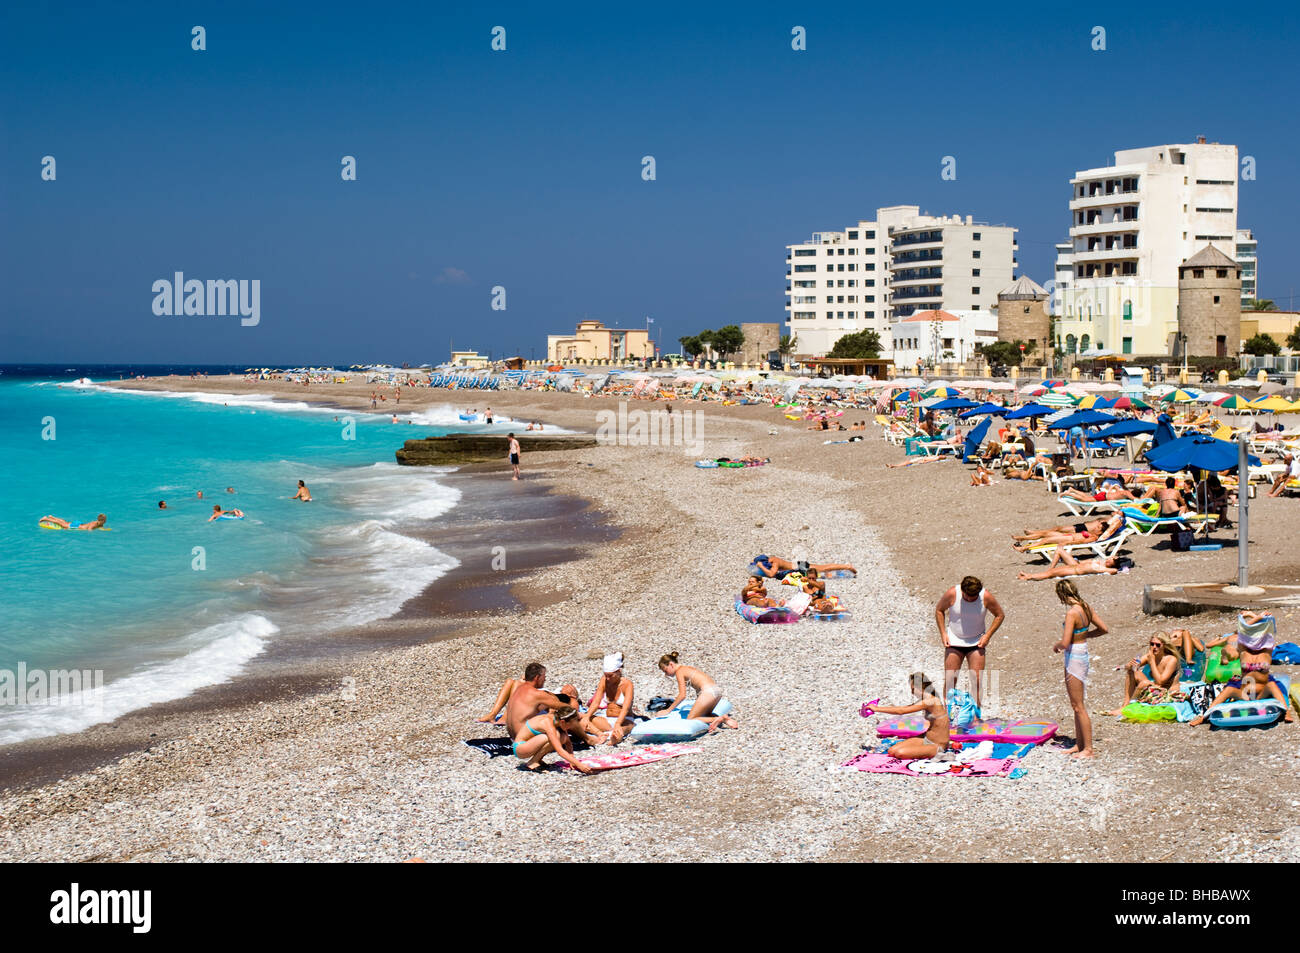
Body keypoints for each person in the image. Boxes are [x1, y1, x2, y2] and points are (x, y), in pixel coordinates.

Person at [1053, 579, 1108, 758]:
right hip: (1082, 652)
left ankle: (1088, 749)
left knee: (1078, 706)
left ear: (1062, 595)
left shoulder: (1072, 613)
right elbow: (1103, 629)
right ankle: (1080, 743)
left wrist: (1057, 645)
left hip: (1074, 656)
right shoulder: (1086, 607)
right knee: (1076, 704)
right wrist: (1085, 635)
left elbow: (1066, 641)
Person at [934, 576, 1004, 709]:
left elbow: (1000, 615)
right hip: (954, 641)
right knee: (950, 679)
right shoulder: (952, 593)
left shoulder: (986, 596)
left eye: (974, 598)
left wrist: (987, 635)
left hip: (977, 642)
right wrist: (943, 633)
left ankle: (976, 715)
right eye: (967, 597)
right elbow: (939, 610)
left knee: (976, 680)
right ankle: (947, 715)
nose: (970, 600)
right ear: (962, 591)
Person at [865, 673, 952, 760]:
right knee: (892, 751)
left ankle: (942, 755)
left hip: (937, 745)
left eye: (913, 689)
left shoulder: (931, 700)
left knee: (900, 753)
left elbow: (901, 711)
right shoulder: (926, 699)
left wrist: (877, 709)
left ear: (920, 687)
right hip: (926, 738)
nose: (912, 692)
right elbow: (904, 708)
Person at [656, 652, 738, 731]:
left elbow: (682, 695)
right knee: (705, 715)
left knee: (690, 719)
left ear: (671, 664)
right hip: (716, 691)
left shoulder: (679, 672)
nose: (666, 674)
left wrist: (668, 710)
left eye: (665, 670)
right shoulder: (687, 668)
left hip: (708, 692)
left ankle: (720, 719)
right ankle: (724, 719)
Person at [1106, 632, 1186, 713]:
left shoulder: (1171, 659)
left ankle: (1129, 707)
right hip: (1156, 688)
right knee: (1132, 672)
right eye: (1152, 644)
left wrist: (1152, 662)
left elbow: (1160, 681)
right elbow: (1133, 666)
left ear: (1164, 645)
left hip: (1167, 691)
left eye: (1158, 645)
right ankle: (1125, 705)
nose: (1154, 647)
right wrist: (1130, 665)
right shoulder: (1150, 656)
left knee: (1145, 683)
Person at [501, 662, 577, 736]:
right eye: (544, 677)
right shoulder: (537, 694)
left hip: (513, 736)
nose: (545, 680)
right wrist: (573, 700)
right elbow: (568, 709)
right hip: (524, 739)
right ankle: (587, 738)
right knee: (561, 730)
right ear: (537, 677)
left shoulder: (518, 689)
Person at [512, 707, 594, 773]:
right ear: (563, 722)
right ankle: (532, 762)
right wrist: (579, 764)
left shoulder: (558, 721)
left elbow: (568, 743)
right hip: (520, 748)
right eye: (570, 725)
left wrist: (572, 760)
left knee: (562, 736)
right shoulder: (548, 723)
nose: (571, 728)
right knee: (556, 737)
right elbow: (559, 749)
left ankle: (537, 760)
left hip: (529, 744)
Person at [1012, 511, 1125, 552]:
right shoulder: (1095, 533)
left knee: (1046, 540)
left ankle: (1023, 548)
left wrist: (1068, 543)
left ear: (1100, 531)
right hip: (1068, 535)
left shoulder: (1094, 537)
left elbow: (1081, 543)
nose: (1096, 527)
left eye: (1098, 527)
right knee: (1045, 534)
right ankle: (1022, 538)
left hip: (1069, 538)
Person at [586, 652, 635, 744]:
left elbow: (626, 708)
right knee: (580, 719)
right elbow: (596, 702)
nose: (607, 678)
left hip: (624, 719)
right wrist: (587, 716)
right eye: (606, 675)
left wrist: (618, 723)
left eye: (610, 675)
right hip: (607, 719)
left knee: (629, 726)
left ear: (618, 671)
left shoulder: (627, 684)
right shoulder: (604, 680)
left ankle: (617, 735)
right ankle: (601, 734)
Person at [1018, 551, 1131, 581]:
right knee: (1051, 573)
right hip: (1074, 568)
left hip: (1074, 571)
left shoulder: (1108, 569)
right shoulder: (1102, 563)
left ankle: (1028, 576)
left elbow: (1114, 571)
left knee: (1050, 573)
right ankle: (1029, 576)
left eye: (1112, 560)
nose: (1109, 559)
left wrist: (1117, 569)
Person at [750, 554, 855, 578]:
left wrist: (761, 566)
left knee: (823, 568)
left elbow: (771, 574)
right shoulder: (772, 558)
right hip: (798, 565)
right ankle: (845, 567)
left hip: (799, 567)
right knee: (822, 569)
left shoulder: (774, 563)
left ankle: (847, 566)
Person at [40, 513, 108, 530]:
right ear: (101, 520)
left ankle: (52, 517)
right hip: (77, 526)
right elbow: (89, 529)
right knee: (62, 524)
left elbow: (101, 527)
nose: (105, 521)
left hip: (80, 524)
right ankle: (46, 519)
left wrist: (104, 529)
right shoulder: (95, 523)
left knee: (65, 522)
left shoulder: (100, 524)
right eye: (105, 520)